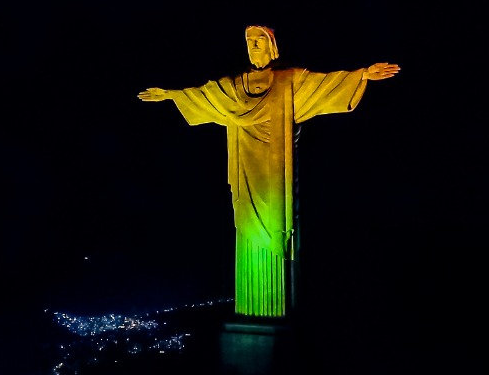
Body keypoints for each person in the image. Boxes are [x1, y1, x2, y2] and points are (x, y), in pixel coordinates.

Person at [138, 25, 398, 319]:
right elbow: (205, 95)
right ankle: (252, 314)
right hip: (245, 172)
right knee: (246, 229)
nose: (253, 46)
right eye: (249, 41)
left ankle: (277, 311)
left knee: (278, 230)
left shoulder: (289, 81)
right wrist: (171, 95)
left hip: (277, 175)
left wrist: (362, 74)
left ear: (272, 46)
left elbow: (326, 85)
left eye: (259, 40)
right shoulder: (234, 86)